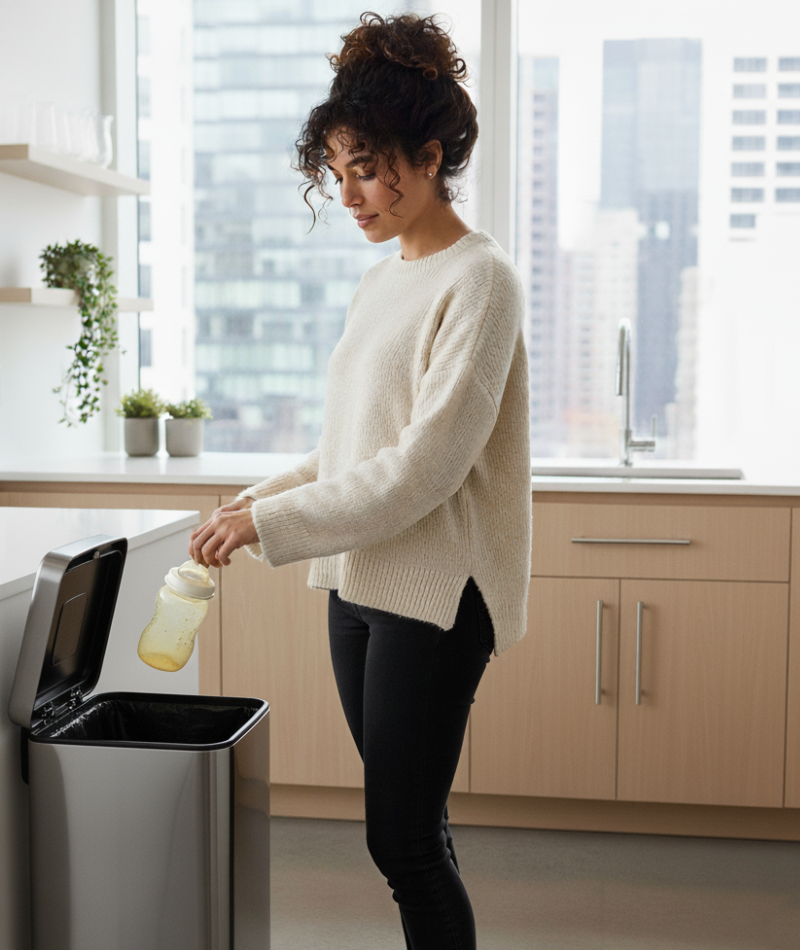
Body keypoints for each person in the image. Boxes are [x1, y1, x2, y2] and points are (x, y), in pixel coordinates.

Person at [189, 12, 531, 949]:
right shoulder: (383, 282)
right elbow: (351, 446)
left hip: (436, 591)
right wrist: (258, 501)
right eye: (336, 174)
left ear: (429, 157)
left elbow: (424, 467)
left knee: (401, 841)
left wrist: (274, 523)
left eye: (368, 169)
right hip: (359, 579)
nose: (349, 195)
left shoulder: (481, 281)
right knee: (415, 828)